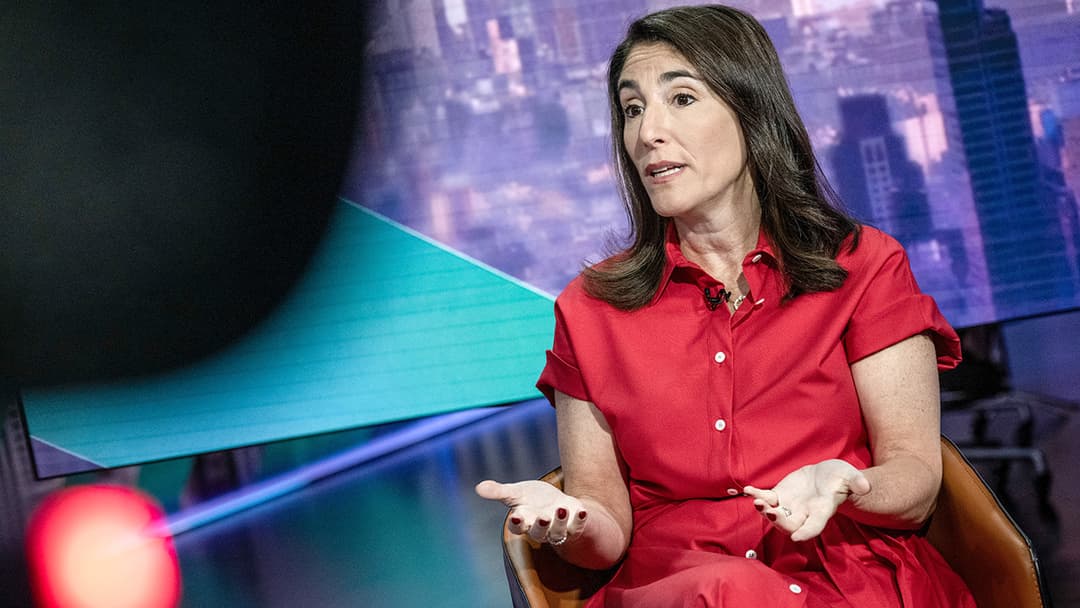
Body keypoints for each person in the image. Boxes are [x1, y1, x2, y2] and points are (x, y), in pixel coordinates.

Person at [476, 5, 976, 607]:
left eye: (681, 99)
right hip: (684, 590)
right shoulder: (589, 310)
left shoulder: (864, 267)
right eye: (632, 109)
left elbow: (915, 481)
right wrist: (570, 521)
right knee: (728, 589)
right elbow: (604, 527)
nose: (647, 132)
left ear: (752, 111)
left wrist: (850, 484)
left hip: (848, 579)